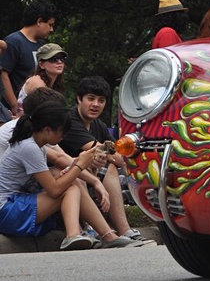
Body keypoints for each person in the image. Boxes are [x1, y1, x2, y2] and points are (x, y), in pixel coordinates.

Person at [0, 101, 140, 249]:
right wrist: (80, 165)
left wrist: (87, 172)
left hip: (12, 205)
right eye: (62, 132)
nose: (63, 137)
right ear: (47, 130)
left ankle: (94, 235)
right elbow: (54, 189)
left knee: (71, 184)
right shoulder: (30, 148)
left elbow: (60, 164)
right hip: (6, 210)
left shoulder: (34, 145)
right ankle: (76, 235)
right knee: (70, 188)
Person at [58, 76, 150, 243]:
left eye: (101, 100)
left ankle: (125, 231)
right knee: (84, 168)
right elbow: (95, 149)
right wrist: (104, 155)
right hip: (61, 176)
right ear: (79, 99)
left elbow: (120, 158)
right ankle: (89, 229)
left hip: (86, 176)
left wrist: (105, 155)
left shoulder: (98, 125)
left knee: (110, 167)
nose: (96, 105)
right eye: (90, 99)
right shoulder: (70, 120)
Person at [1, 0, 58, 121]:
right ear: (39, 21)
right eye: (50, 25)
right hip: (12, 114)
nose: (51, 30)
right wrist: (14, 106)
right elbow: (3, 75)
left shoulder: (41, 45)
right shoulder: (14, 41)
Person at [16, 43, 67, 113]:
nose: (59, 62)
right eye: (53, 59)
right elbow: (43, 113)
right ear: (41, 64)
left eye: (62, 59)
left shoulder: (55, 84)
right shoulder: (37, 82)